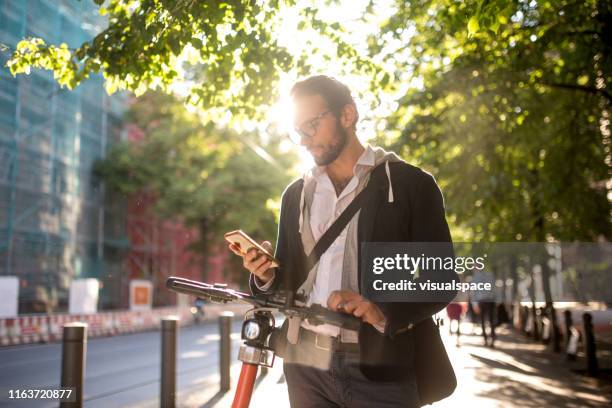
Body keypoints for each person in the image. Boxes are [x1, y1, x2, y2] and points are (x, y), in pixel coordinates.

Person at [229, 75, 458, 407]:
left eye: (312, 125)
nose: (305, 140)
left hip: (380, 369)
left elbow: (440, 282)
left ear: (347, 115)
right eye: (298, 131)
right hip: (304, 365)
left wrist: (380, 310)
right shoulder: (295, 195)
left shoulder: (411, 185)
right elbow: (287, 283)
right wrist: (264, 275)